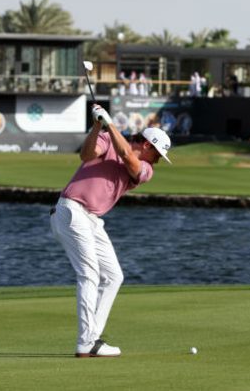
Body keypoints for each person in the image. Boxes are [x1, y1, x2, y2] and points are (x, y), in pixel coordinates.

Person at [50, 104, 171, 358]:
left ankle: (92, 337)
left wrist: (110, 123)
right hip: (72, 210)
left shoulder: (145, 169)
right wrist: (97, 126)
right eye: (158, 153)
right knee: (90, 274)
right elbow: (86, 155)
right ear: (148, 145)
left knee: (114, 276)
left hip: (91, 219)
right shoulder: (106, 138)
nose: (157, 160)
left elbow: (129, 157)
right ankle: (86, 342)